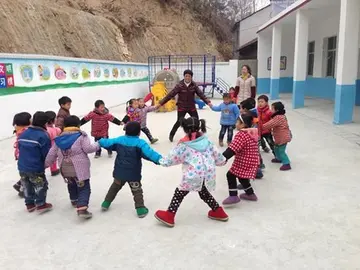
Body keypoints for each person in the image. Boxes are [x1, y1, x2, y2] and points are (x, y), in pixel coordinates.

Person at [154, 117, 228, 227]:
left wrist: (161, 160)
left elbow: (172, 158)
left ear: (184, 128)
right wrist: (222, 161)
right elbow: (217, 155)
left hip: (193, 174)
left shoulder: (184, 145)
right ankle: (218, 211)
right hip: (206, 173)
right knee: (203, 191)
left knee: (179, 193)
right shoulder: (206, 141)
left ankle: (169, 215)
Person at [99, 121, 162, 218]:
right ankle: (140, 209)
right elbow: (150, 153)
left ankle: (106, 203)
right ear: (139, 132)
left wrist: (101, 140)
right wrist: (159, 159)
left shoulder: (120, 140)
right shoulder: (140, 143)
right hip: (133, 173)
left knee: (114, 187)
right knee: (136, 190)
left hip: (119, 172)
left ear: (126, 131)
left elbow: (107, 143)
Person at [45, 116, 100, 219]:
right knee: (84, 187)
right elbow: (88, 149)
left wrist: (45, 165)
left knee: (71, 183)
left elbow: (51, 153)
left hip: (65, 168)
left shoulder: (59, 138)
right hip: (79, 169)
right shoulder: (81, 136)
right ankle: (82, 208)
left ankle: (74, 200)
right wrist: (98, 144)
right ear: (78, 125)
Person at [157, 69, 212, 142]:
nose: (187, 77)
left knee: (196, 121)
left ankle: (196, 135)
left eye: (189, 76)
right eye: (186, 76)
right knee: (179, 121)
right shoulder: (179, 85)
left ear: (191, 77)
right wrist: (161, 103)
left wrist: (208, 102)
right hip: (182, 107)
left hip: (191, 106)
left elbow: (200, 94)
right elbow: (171, 94)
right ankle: (171, 134)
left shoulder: (194, 85)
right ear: (184, 76)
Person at [18, 111, 52, 213]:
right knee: (40, 184)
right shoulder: (43, 135)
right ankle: (41, 204)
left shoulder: (24, 133)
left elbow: (19, 147)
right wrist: (45, 163)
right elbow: (46, 152)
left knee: (26, 185)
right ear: (45, 123)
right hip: (35, 166)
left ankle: (29, 204)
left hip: (22, 165)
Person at [222, 114, 259, 206]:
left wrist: (223, 158)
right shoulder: (252, 132)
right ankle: (250, 194)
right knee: (242, 176)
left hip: (244, 160)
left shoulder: (241, 135)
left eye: (237, 122)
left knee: (230, 175)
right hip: (252, 159)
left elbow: (233, 149)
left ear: (243, 124)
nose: (236, 123)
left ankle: (233, 196)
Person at [263, 102, 292, 171]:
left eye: (272, 109)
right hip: (279, 137)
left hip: (283, 137)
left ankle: (286, 163)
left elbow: (270, 124)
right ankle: (279, 158)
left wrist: (261, 126)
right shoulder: (280, 116)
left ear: (277, 110)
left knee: (281, 151)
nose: (270, 110)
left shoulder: (278, 117)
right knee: (276, 148)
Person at [12, 112, 32, 197]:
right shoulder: (26, 131)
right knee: (30, 173)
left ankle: (19, 184)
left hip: (20, 155)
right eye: (30, 119)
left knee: (26, 172)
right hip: (26, 155)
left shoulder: (19, 130)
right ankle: (23, 190)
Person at [45, 111, 61, 176]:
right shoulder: (53, 130)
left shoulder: (44, 129)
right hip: (52, 146)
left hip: (45, 147)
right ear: (52, 120)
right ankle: (53, 170)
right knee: (53, 158)